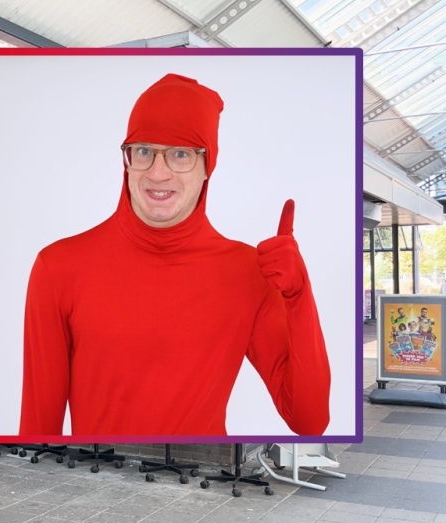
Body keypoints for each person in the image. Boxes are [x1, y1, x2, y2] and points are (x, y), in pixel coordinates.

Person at [20, 73, 331, 437]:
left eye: (180, 154)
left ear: (206, 167)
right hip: (97, 486)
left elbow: (309, 421)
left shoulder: (248, 274)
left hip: (202, 488)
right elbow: (37, 435)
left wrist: (298, 297)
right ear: (127, 160)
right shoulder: (59, 268)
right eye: (144, 151)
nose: (158, 171)